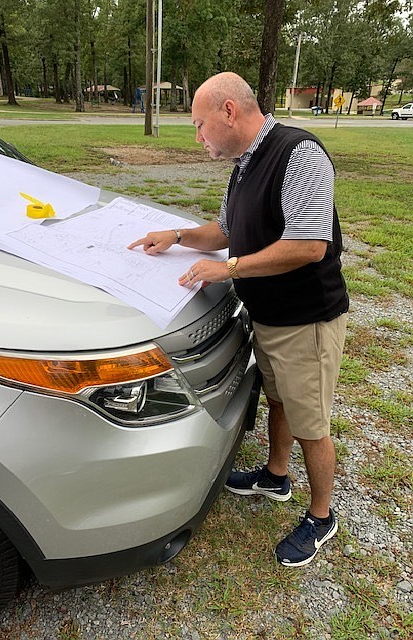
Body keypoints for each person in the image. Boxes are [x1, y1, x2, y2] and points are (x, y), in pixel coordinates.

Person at [127, 71, 349, 568]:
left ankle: (322, 515)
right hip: (269, 316)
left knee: (311, 422)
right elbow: (226, 229)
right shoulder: (245, 163)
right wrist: (177, 235)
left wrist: (227, 268)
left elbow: (309, 245)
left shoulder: (299, 154)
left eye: (200, 125)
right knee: (280, 400)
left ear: (229, 112)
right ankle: (275, 476)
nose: (198, 137)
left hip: (306, 321)